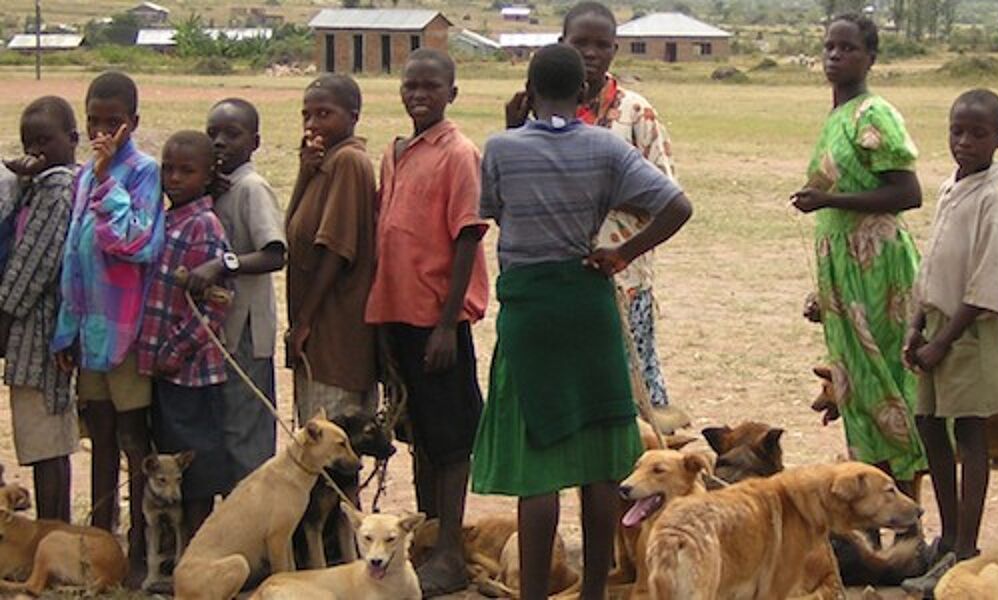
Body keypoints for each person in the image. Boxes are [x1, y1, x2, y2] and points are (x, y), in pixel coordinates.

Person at [471, 44, 693, 600]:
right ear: (585, 95)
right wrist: (622, 253)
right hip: (589, 304)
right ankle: (594, 589)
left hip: (531, 311)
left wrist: (513, 126)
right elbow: (677, 206)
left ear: (528, 88)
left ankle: (534, 594)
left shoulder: (500, 147)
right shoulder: (604, 147)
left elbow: (495, 208)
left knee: (538, 469)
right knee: (600, 464)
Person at [506, 1, 688, 432]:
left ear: (615, 49)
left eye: (601, 45)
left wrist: (603, 203)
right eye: (579, 43)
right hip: (554, 280)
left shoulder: (635, 112)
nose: (590, 53)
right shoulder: (535, 111)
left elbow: (667, 196)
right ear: (560, 45)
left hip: (621, 276)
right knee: (568, 400)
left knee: (629, 400)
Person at [790, 13, 925, 507]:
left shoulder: (875, 114)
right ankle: (879, 513)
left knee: (890, 383)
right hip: (845, 274)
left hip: (879, 270)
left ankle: (909, 510)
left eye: (846, 49)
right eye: (828, 47)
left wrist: (829, 202)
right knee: (859, 392)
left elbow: (907, 192)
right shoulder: (837, 118)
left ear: (870, 57)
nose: (834, 57)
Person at [365, 48, 486, 596]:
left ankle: (451, 551)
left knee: (452, 439)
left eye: (430, 87)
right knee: (420, 435)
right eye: (410, 86)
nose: (419, 95)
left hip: (438, 318)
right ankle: (427, 533)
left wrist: (445, 323)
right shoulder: (396, 153)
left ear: (451, 94)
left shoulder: (459, 154)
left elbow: (466, 237)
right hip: (398, 314)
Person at [900, 89, 998, 596]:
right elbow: (934, 266)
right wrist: (914, 328)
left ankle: (965, 548)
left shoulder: (996, 196)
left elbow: (989, 280)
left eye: (977, 133)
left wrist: (942, 340)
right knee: (929, 426)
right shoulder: (954, 186)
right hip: (935, 329)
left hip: (967, 334)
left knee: (970, 436)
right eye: (957, 131)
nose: (965, 142)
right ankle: (947, 539)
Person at [52, 70, 164, 587]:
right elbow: (74, 260)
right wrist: (64, 333)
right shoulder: (81, 177)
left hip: (127, 331)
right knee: (98, 434)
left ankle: (140, 551)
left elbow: (135, 244)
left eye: (112, 123)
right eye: (93, 122)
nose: (101, 132)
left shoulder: (141, 174)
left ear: (132, 123)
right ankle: (100, 538)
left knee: (132, 439)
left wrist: (105, 182)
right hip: (88, 333)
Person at [182, 98, 285, 485]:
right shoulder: (216, 186)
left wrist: (221, 265)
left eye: (232, 134)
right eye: (213, 134)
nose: (220, 142)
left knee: (246, 436)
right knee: (224, 431)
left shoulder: (252, 188)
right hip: (218, 334)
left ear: (254, 142)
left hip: (245, 332)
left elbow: (274, 253)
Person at [136, 130, 233, 542]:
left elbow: (215, 305)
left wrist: (174, 350)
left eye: (186, 171)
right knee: (170, 456)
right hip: (163, 365)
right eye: (168, 169)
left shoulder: (204, 225)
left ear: (208, 176)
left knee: (198, 463)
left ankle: (198, 545)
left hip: (191, 370)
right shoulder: (166, 218)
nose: (174, 178)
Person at [0, 96, 81, 522]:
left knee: (46, 438)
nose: (35, 151)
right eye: (28, 142)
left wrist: (4, 317)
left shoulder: (59, 190)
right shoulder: (41, 185)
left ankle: (53, 531)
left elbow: (33, 266)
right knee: (41, 439)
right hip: (35, 327)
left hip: (38, 330)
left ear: (72, 139)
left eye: (45, 141)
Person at [285, 74, 378, 428]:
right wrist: (304, 172)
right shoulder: (323, 165)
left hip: (335, 332)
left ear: (353, 116)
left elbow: (337, 251)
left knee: (331, 451)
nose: (312, 124)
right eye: (306, 115)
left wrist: (304, 321)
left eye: (324, 114)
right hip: (317, 333)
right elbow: (295, 231)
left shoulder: (348, 163)